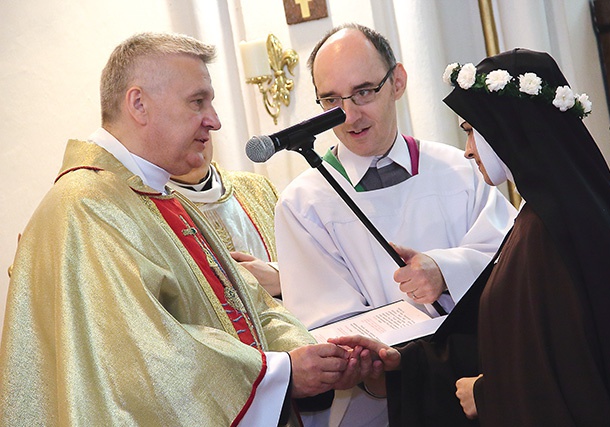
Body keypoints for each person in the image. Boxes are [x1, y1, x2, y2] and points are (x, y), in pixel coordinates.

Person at [0, 32, 366, 427]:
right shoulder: (87, 208)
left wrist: (314, 354)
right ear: (138, 104)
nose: (215, 120)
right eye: (197, 101)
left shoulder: (157, 195)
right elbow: (145, 361)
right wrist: (283, 372)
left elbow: (249, 305)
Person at [332, 48, 610, 426]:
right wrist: (407, 363)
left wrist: (487, 394)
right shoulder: (545, 216)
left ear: (508, 127)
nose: (467, 151)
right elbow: (519, 338)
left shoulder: (549, 231)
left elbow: (576, 371)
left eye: (471, 131)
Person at [275, 23, 516, 426]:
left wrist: (444, 269)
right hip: (378, 407)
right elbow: (323, 320)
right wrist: (372, 360)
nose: (349, 115)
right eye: (331, 99)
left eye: (364, 92)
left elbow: (512, 260)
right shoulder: (303, 204)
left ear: (397, 81)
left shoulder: (462, 170)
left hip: (478, 378)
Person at [169, 139, 281, 297]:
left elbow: (312, 264)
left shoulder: (258, 188)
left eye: (202, 133)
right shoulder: (145, 209)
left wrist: (280, 278)